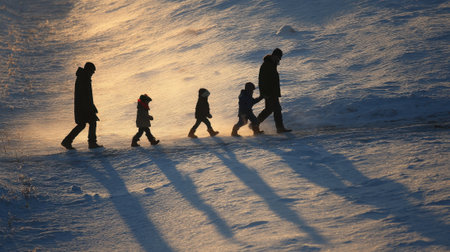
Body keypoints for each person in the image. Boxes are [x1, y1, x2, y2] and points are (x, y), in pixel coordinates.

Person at [61, 62, 103, 149]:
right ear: (88, 70)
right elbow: (85, 95)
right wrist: (90, 107)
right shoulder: (84, 78)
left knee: (82, 124)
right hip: (84, 107)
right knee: (92, 122)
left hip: (83, 106)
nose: (93, 73)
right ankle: (92, 143)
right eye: (92, 71)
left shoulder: (83, 77)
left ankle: (67, 141)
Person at [255, 48, 292, 133]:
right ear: (274, 55)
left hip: (272, 92)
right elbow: (262, 80)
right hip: (269, 93)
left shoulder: (271, 64)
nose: (280, 59)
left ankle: (255, 123)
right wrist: (264, 93)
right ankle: (279, 128)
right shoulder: (267, 65)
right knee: (276, 109)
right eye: (279, 57)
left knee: (269, 109)